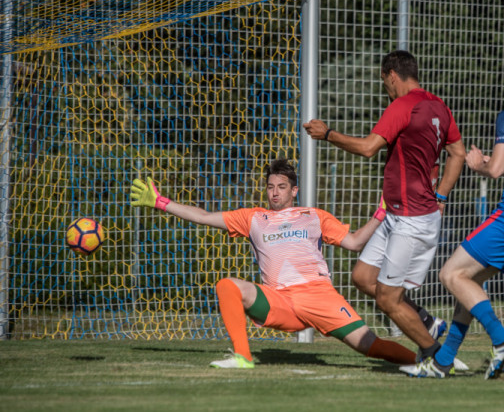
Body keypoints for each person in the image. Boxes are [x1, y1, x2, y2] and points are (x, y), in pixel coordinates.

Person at [129, 158, 417, 368]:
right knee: (228, 285)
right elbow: (203, 216)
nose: (275, 192)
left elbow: (354, 242)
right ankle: (243, 357)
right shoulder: (253, 218)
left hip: (319, 296)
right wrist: (160, 202)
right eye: (270, 187)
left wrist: (381, 213)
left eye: (281, 186)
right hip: (280, 300)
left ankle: (429, 360)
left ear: (294, 191)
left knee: (370, 346)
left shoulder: (314, 216)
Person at [400, 44, 504, 379]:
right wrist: (493, 162)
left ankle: (501, 339)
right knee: (469, 282)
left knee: (450, 275)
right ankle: (443, 362)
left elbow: (498, 169)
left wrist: (479, 164)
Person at [303, 50, 466, 362]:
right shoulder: (439, 105)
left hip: (410, 218)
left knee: (387, 299)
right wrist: (442, 196)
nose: (385, 89)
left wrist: (328, 134)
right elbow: (457, 153)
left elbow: (367, 148)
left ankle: (437, 359)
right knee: (363, 278)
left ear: (392, 75)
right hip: (400, 213)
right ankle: (427, 322)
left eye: (384, 82)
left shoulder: (402, 105)